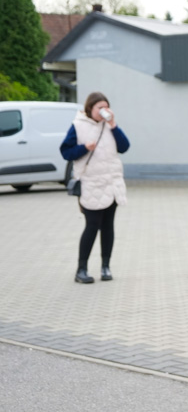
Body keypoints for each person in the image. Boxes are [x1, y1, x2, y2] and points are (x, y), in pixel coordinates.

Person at [60, 92, 130, 284]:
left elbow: (124, 147)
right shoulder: (78, 126)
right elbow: (65, 152)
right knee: (92, 226)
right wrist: (84, 148)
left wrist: (113, 125)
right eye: (100, 107)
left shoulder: (109, 126)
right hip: (91, 184)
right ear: (90, 108)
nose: (103, 111)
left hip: (112, 184)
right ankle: (81, 269)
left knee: (108, 227)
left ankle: (105, 267)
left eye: (106, 107)